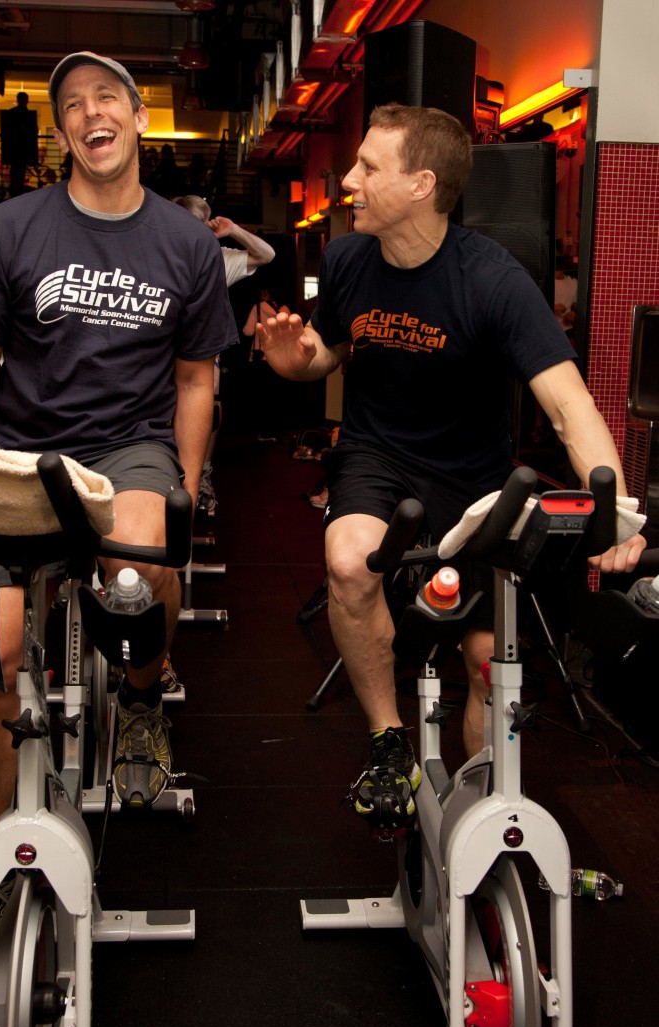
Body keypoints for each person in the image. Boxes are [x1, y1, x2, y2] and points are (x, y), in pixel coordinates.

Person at [257, 103, 646, 823]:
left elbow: (570, 409)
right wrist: (295, 360)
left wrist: (615, 514)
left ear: (422, 184)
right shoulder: (346, 259)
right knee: (348, 564)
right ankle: (387, 739)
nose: (349, 180)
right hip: (376, 456)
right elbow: (326, 350)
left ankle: (468, 814)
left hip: (473, 482)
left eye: (369, 168)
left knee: (486, 665)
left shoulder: (493, 282)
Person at [0, 51, 237, 841]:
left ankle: (139, 697)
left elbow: (197, 380)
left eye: (108, 98)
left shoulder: (187, 243)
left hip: (129, 446)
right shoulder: (9, 229)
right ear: (64, 130)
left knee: (141, 562)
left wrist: (185, 491)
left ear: (139, 119)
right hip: (23, 453)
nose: (90, 113)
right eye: (72, 104)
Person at [173, 194, 276, 509]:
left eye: (201, 225)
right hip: (163, 348)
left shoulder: (218, 257)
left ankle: (201, 473)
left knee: (209, 409)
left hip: (203, 349)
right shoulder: (161, 253)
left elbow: (266, 254)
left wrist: (232, 229)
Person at [243, 286, 291, 441]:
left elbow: (247, 331)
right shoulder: (284, 309)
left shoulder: (257, 308)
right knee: (277, 397)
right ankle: (277, 432)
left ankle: (264, 432)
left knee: (262, 397)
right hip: (280, 358)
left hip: (262, 358)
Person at [0, 91, 38, 197]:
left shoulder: (11, 114)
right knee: (20, 170)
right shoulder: (28, 115)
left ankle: (14, 188)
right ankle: (17, 188)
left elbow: (7, 130)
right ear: (26, 101)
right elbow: (33, 131)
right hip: (22, 148)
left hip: (13, 148)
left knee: (16, 169)